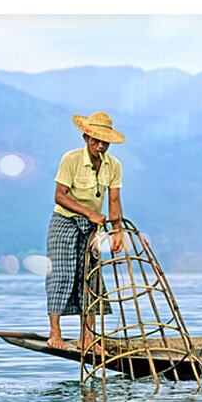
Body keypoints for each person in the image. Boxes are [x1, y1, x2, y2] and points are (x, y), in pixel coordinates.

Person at [45, 111, 126, 350]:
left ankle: (87, 338)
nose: (99, 146)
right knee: (61, 275)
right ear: (85, 138)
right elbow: (59, 196)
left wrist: (117, 231)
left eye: (104, 142)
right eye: (95, 141)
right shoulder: (70, 159)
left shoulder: (114, 166)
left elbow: (114, 201)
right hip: (65, 222)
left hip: (92, 227)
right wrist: (89, 212)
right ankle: (55, 334)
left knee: (90, 279)